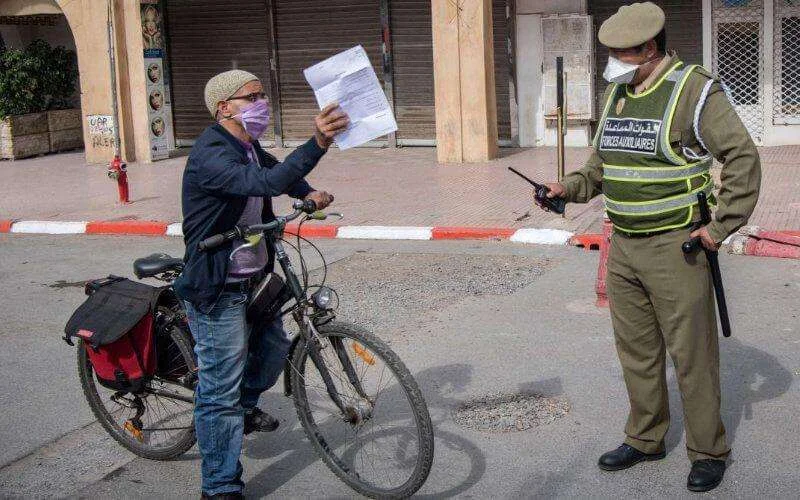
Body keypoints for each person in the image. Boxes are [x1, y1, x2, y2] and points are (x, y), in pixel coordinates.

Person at [537, 2, 761, 493]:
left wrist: (718, 229)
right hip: (624, 246)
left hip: (676, 247)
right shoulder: (620, 92)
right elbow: (602, 167)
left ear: (650, 49)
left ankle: (708, 450)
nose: (612, 63)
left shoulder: (693, 90)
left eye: (621, 54)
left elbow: (742, 157)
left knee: (692, 356)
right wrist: (567, 188)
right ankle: (645, 437)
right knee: (636, 352)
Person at [173, 69, 348, 499]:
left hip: (253, 277)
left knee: (272, 354)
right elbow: (266, 183)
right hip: (217, 287)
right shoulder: (211, 152)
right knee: (219, 391)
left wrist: (309, 192)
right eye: (251, 97)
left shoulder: (247, 146)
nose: (261, 102)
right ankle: (219, 485)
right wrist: (318, 143)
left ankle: (244, 408)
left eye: (262, 94)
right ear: (224, 108)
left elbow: (280, 174)